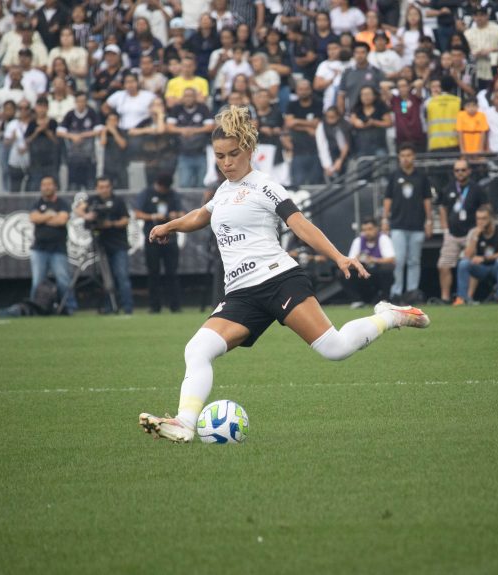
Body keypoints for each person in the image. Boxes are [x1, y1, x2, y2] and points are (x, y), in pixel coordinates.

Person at [138, 105, 430, 443]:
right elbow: (201, 216)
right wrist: (170, 226)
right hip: (241, 295)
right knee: (197, 349)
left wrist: (338, 257)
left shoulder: (265, 186)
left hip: (278, 280)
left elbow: (300, 224)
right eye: (220, 156)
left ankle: (390, 316)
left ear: (248, 150)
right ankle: (185, 423)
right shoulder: (222, 191)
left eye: (233, 154)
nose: (226, 162)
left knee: (334, 349)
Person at [382, 144, 433, 301]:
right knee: (398, 260)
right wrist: (385, 219)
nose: (405, 158)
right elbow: (387, 199)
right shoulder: (394, 175)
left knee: (414, 260)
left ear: (414, 156)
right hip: (398, 224)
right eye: (402, 155)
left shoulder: (422, 177)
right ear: (399, 157)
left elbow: (427, 200)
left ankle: (412, 291)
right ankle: (396, 292)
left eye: (408, 155)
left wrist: (429, 220)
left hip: (417, 224)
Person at [75, 176, 133, 313]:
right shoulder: (93, 200)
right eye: (101, 187)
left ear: (110, 187)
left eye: (106, 187)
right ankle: (109, 306)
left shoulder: (118, 201)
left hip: (118, 244)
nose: (104, 190)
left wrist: (111, 224)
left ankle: (127, 307)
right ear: (97, 188)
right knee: (107, 278)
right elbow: (78, 209)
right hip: (101, 244)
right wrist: (86, 216)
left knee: (122, 276)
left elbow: (126, 220)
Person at [436, 158, 490, 304]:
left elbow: (486, 207)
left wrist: (480, 229)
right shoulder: (448, 188)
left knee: (469, 264)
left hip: (471, 232)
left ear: (469, 171)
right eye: (457, 170)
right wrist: (445, 228)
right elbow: (442, 207)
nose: (460, 173)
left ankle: (468, 296)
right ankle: (445, 298)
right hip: (452, 234)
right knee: (444, 265)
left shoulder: (477, 189)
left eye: (463, 170)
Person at [135, 175, 186, 314]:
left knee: (172, 273)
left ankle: (175, 306)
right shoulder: (146, 193)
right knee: (153, 273)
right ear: (158, 184)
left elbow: (182, 213)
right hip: (152, 238)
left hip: (171, 239)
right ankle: (154, 306)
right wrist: (153, 217)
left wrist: (176, 215)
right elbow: (137, 213)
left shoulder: (173, 194)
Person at [29, 176, 76, 313]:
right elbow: (33, 218)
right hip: (39, 249)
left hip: (58, 249)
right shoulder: (37, 203)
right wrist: (50, 215)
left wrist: (43, 218)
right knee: (37, 280)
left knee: (63, 279)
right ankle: (34, 308)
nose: (46, 187)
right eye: (44, 185)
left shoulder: (62, 203)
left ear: (55, 186)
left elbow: (62, 221)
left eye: (49, 184)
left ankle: (69, 307)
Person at [454, 205, 498, 306]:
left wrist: (483, 258)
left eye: (484, 218)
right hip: (480, 268)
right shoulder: (473, 232)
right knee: (463, 263)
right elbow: (467, 255)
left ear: (491, 218)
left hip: (495, 266)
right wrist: (475, 237)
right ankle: (461, 298)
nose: (480, 221)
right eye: (478, 219)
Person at [343, 218, 396, 308]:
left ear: (376, 229)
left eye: (370, 229)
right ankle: (357, 300)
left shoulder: (383, 238)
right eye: (364, 230)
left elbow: (391, 259)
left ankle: (384, 299)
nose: (367, 232)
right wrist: (357, 259)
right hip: (362, 274)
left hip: (377, 273)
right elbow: (349, 262)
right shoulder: (358, 241)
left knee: (387, 268)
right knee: (342, 272)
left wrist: (374, 260)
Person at [167, 88, 215, 189]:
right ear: (182, 98)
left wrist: (193, 131)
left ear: (195, 97)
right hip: (184, 153)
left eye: (191, 96)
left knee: (202, 184)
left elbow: (210, 127)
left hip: (201, 153)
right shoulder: (177, 109)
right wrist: (182, 131)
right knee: (185, 184)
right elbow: (169, 127)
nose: (188, 98)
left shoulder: (203, 108)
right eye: (186, 96)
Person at [58, 91, 102, 191]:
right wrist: (72, 136)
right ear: (75, 102)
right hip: (73, 155)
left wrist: (82, 135)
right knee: (74, 184)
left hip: (89, 155)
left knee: (90, 183)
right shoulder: (70, 114)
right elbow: (60, 131)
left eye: (83, 101)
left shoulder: (91, 113)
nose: (81, 103)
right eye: (79, 101)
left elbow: (99, 130)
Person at [285, 79, 323, 186]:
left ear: (310, 90)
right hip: (297, 151)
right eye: (300, 89)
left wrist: (297, 121)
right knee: (297, 183)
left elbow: (317, 124)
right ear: (296, 91)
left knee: (315, 184)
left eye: (306, 89)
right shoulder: (292, 105)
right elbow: (289, 123)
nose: (303, 92)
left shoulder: (318, 103)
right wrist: (307, 127)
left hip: (316, 151)